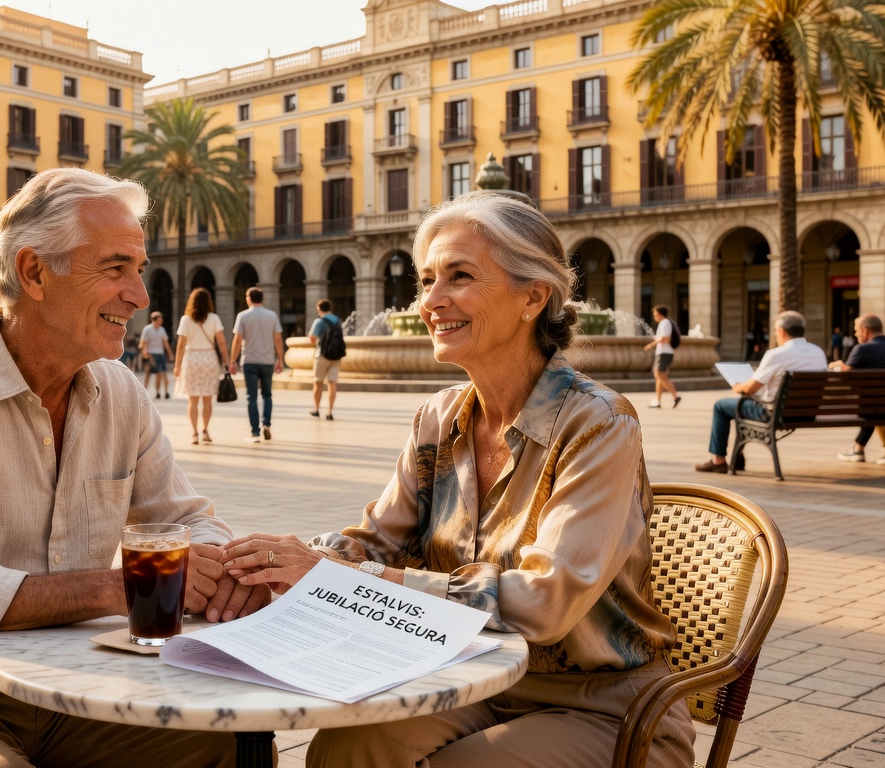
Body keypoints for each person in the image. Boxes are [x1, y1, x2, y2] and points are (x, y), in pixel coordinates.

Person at [219, 191, 694, 767]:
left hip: (603, 706)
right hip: (468, 679)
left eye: (459, 276)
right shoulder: (438, 418)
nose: (431, 301)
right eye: (426, 281)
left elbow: (545, 604)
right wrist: (268, 563)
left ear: (534, 297)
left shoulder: (599, 422)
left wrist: (355, 576)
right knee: (343, 748)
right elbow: (373, 543)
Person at [0, 168, 267, 768]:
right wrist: (125, 588)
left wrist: (217, 563)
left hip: (74, 688)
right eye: (115, 268)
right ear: (34, 272)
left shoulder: (120, 393)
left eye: (138, 270)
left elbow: (186, 518)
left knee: (232, 747)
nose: (140, 295)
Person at [695, 311, 828, 472]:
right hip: (808, 413)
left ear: (781, 331)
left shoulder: (776, 354)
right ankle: (738, 457)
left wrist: (738, 387)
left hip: (774, 414)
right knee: (743, 403)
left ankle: (718, 460)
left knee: (721, 405)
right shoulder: (818, 352)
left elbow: (750, 388)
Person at [829, 314, 885, 465]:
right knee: (877, 402)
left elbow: (846, 377)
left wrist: (838, 366)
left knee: (873, 403)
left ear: (865, 330)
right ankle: (875, 450)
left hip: (870, 406)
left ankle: (860, 449)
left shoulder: (863, 349)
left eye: (857, 330)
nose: (856, 334)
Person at [174, 287, 228, 445]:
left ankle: (194, 433)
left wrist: (177, 365)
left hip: (191, 359)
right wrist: (227, 361)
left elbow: (181, 344)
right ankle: (205, 430)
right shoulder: (214, 318)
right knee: (207, 399)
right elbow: (221, 342)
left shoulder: (186, 319)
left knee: (193, 400)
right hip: (209, 358)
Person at [229, 287, 283, 443]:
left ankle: (255, 432)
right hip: (267, 361)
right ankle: (266, 423)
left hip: (250, 361)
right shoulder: (272, 315)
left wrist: (233, 361)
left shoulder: (243, 316)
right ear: (262, 299)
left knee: (251, 396)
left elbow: (238, 340)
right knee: (267, 394)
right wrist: (279, 359)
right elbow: (278, 339)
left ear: (249, 298)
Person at [308, 298, 343, 420]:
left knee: (318, 382)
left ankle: (316, 409)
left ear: (320, 309)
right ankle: (329, 412)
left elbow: (312, 337)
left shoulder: (319, 321)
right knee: (332, 383)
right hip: (336, 355)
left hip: (322, 355)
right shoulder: (338, 320)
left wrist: (315, 342)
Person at [645, 305, 681, 408]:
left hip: (664, 353)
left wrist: (651, 344)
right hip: (663, 352)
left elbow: (665, 338)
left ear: (659, 314)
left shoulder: (664, 323)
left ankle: (675, 396)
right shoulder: (665, 323)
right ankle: (658, 401)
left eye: (655, 314)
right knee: (659, 377)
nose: (654, 316)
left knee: (659, 375)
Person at [139, 311, 173, 398]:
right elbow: (144, 342)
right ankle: (144, 391)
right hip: (151, 354)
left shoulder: (162, 330)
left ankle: (161, 392)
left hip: (160, 353)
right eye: (159, 319)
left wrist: (170, 353)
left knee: (161, 373)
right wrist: (144, 352)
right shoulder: (147, 329)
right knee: (148, 373)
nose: (160, 321)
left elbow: (165, 343)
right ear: (154, 320)